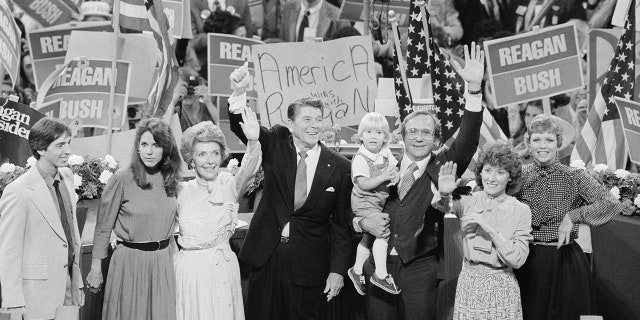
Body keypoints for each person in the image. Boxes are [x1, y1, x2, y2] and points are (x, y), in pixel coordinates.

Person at [354, 43, 486, 320]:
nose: (418, 137)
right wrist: (362, 222)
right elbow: (353, 205)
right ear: (401, 136)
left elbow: (467, 141)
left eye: (426, 132)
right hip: (379, 269)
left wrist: (473, 91)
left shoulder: (444, 166)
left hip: (420, 269)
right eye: (411, 131)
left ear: (437, 140)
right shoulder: (381, 164)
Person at [227, 63, 353, 320]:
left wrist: (337, 271)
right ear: (291, 123)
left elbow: (341, 226)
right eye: (307, 119)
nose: (314, 126)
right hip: (267, 256)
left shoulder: (340, 167)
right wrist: (239, 94)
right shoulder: (276, 142)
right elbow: (246, 128)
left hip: (310, 265)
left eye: (318, 120)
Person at [513, 114, 623, 320]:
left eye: (549, 140)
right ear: (529, 142)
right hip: (527, 263)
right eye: (537, 139)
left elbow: (611, 203)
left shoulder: (574, 176)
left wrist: (573, 216)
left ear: (558, 143)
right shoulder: (519, 175)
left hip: (564, 263)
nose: (542, 146)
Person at [86, 118, 182, 320]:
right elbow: (103, 228)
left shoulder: (171, 178)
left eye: (156, 145)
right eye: (144, 144)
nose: (149, 151)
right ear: (137, 147)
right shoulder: (122, 179)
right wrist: (96, 269)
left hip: (162, 262)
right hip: (129, 263)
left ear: (166, 149)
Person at [175, 112, 261, 320]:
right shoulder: (180, 191)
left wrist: (252, 140)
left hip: (222, 268)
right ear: (191, 159)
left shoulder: (228, 184)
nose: (209, 160)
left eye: (214, 153)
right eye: (202, 154)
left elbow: (249, 168)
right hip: (190, 272)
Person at [435, 142, 533, 319]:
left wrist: (489, 228)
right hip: (469, 283)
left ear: (510, 177)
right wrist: (443, 193)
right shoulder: (468, 199)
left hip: (502, 287)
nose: (492, 178)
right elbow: (443, 206)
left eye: (500, 172)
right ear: (480, 172)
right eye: (488, 170)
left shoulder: (521, 210)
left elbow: (517, 259)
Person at [0, 118, 85, 319]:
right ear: (40, 150)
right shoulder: (18, 191)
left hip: (67, 290)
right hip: (35, 296)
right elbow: (9, 251)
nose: (68, 150)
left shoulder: (67, 177)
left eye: (68, 143)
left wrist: (77, 282)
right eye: (60, 145)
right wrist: (13, 301)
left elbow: (70, 236)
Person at [347, 112, 400, 296]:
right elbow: (363, 184)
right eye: (368, 132)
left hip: (378, 202)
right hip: (364, 201)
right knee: (382, 231)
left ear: (385, 137)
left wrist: (395, 176)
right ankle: (381, 274)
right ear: (361, 135)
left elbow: (394, 170)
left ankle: (357, 270)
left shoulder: (386, 154)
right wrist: (384, 176)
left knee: (369, 237)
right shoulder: (361, 157)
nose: (373, 136)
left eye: (378, 133)